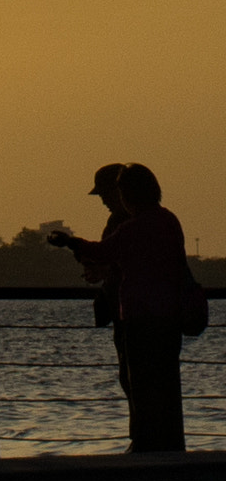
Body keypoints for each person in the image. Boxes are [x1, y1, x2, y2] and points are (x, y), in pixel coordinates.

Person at [51, 163, 191, 452]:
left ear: (125, 194)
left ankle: (144, 441)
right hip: (169, 315)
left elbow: (103, 253)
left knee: (137, 380)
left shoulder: (130, 227)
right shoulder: (169, 221)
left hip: (138, 316)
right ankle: (170, 441)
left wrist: (71, 243)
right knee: (165, 381)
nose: (103, 200)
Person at [70, 164, 131, 399]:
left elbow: (107, 255)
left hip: (129, 311)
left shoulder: (123, 223)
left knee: (132, 377)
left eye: (105, 194)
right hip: (125, 310)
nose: (103, 200)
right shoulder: (125, 220)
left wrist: (75, 246)